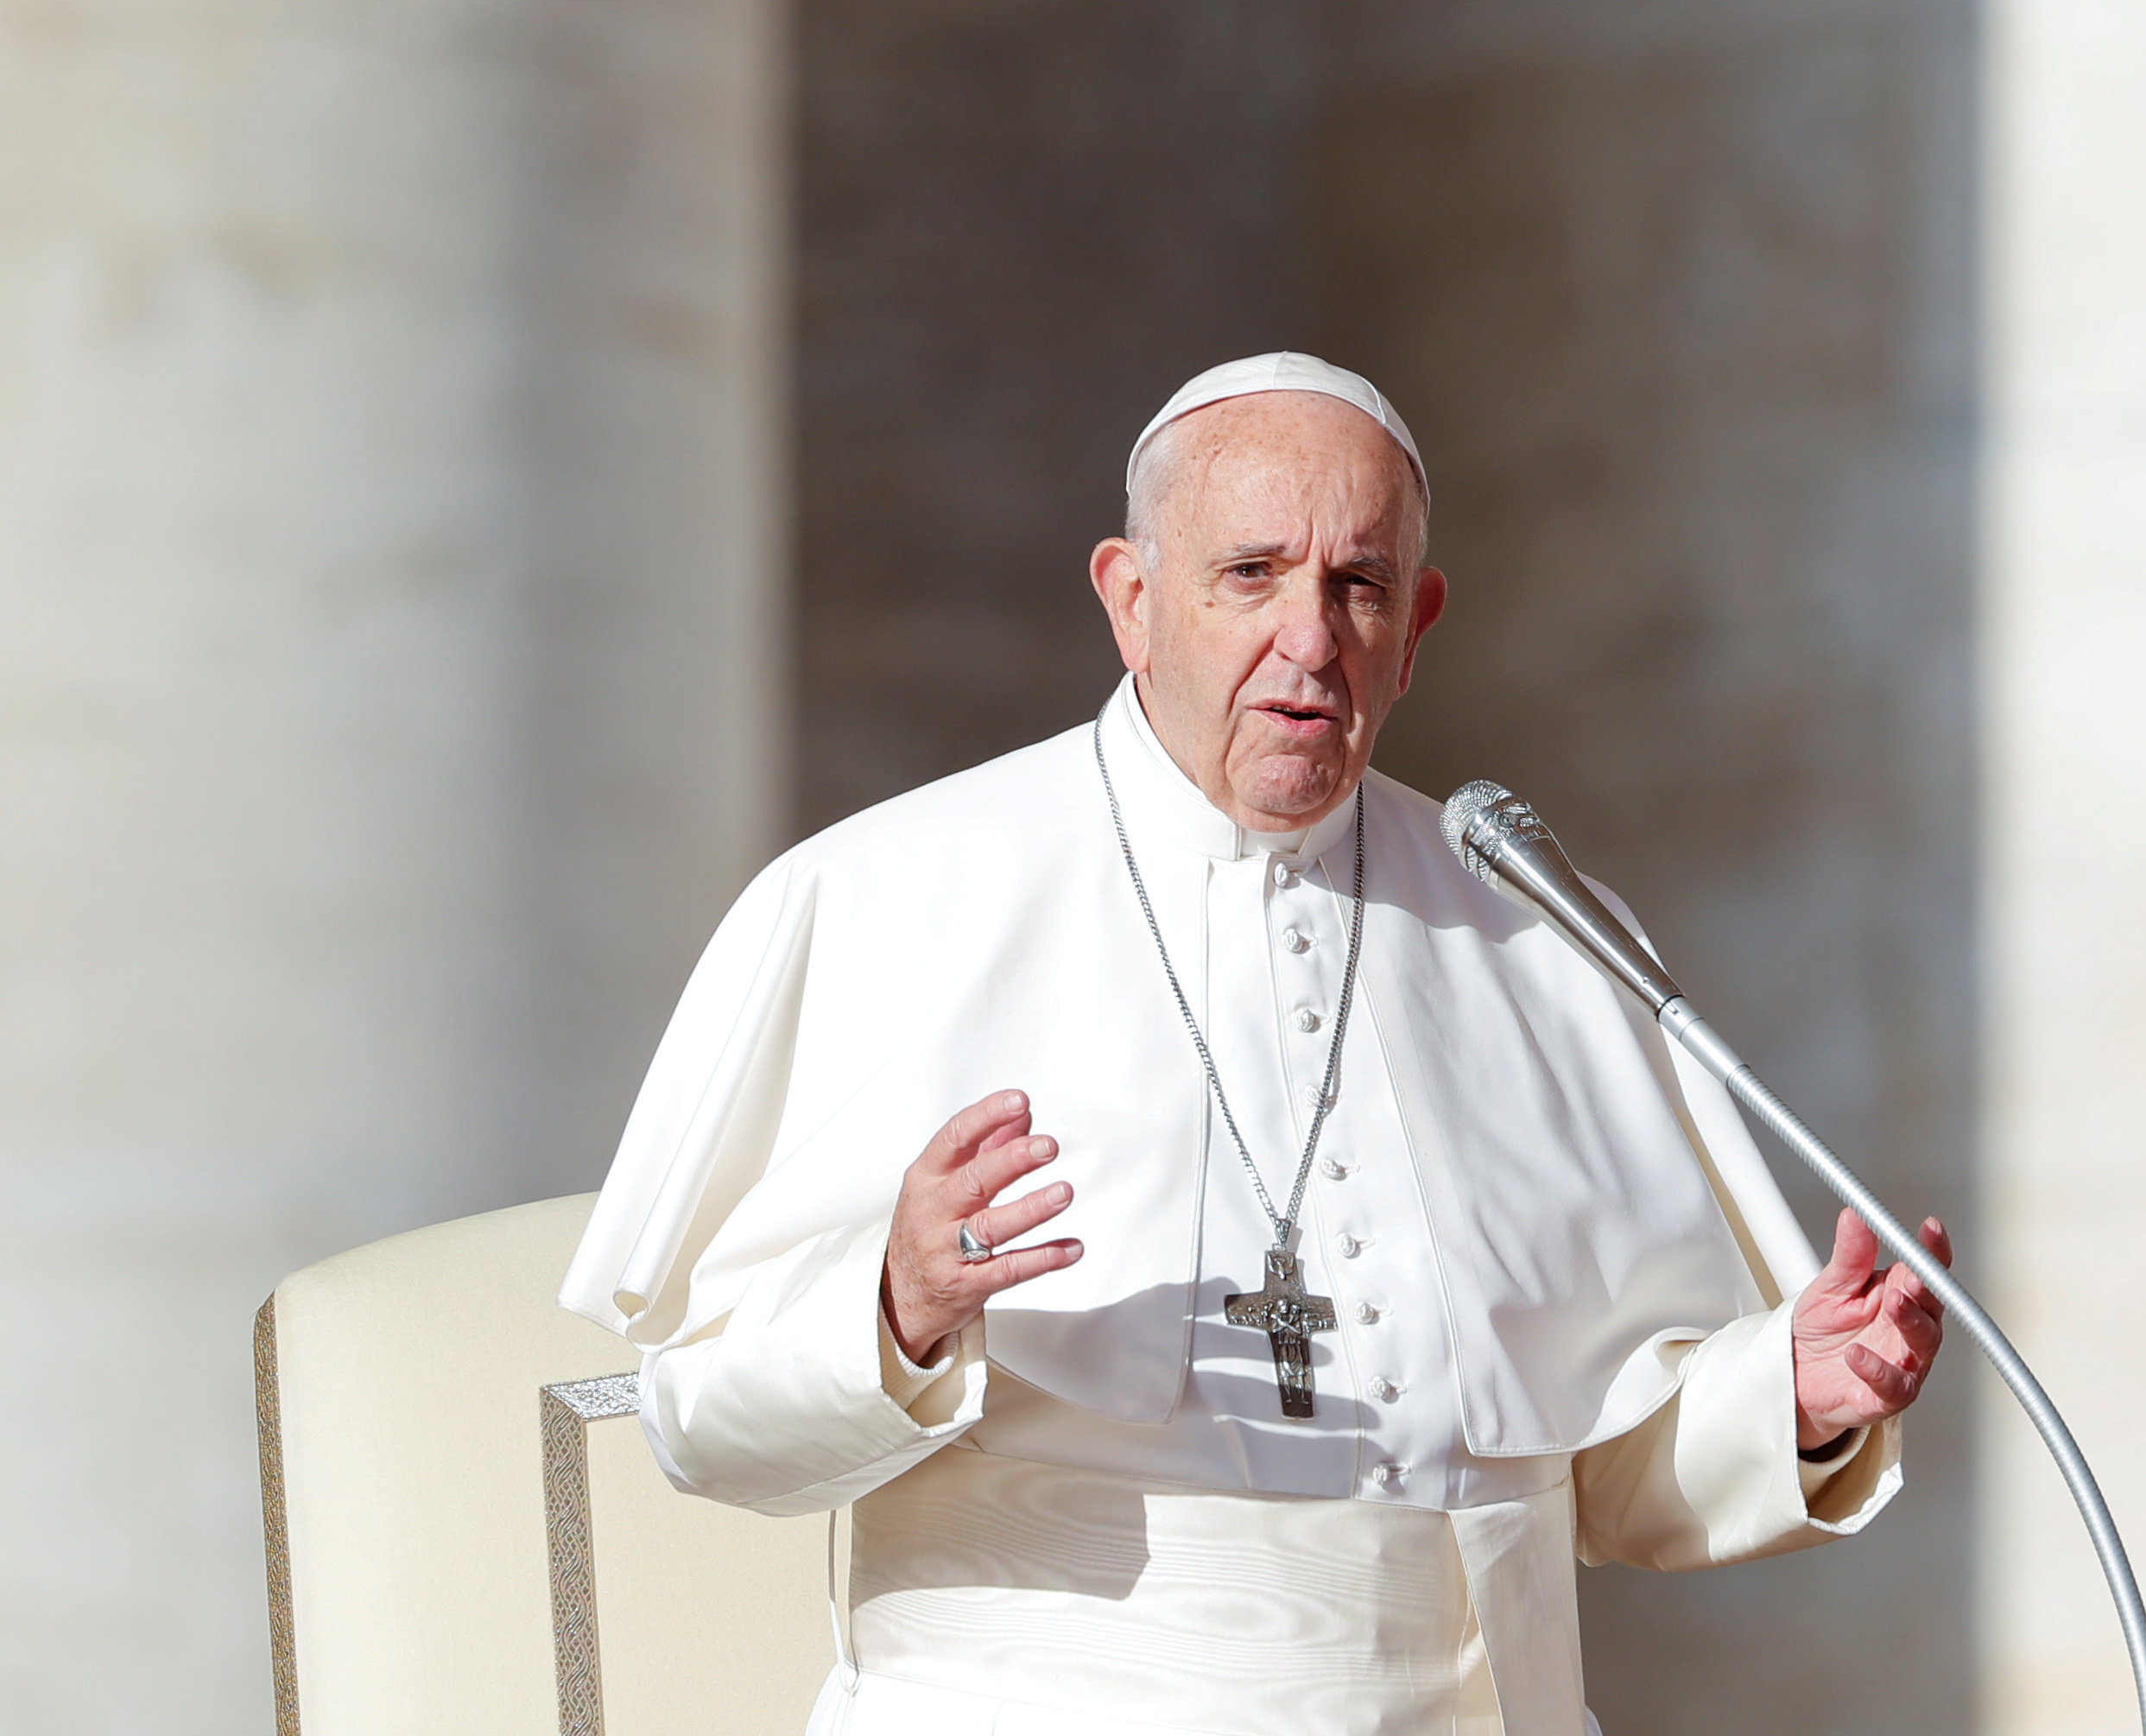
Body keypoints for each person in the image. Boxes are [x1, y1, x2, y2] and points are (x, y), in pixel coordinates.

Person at [561, 352, 1951, 1736]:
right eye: (1251, 574)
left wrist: (1789, 1400)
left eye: (1358, 585)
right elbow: (701, 1423)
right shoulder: (881, 896)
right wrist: (893, 1305)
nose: (1311, 638)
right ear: (1131, 598)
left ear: (1417, 626)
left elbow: (1604, 1471)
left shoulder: (1540, 936)